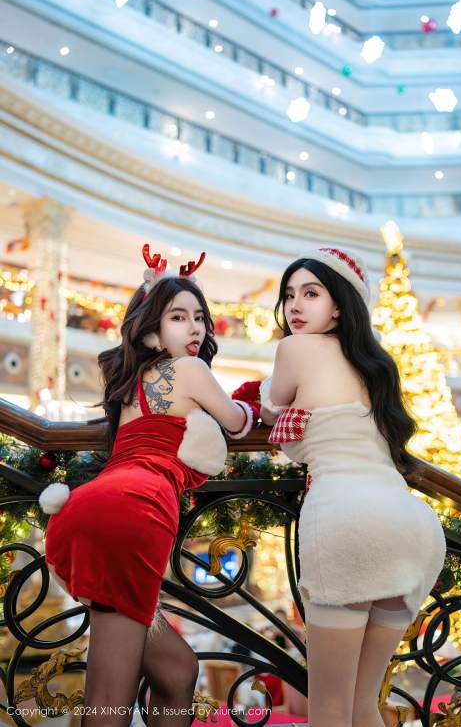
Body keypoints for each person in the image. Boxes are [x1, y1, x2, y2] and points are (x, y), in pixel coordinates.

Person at [40, 244, 256, 727]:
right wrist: (255, 400)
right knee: (109, 701)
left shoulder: (131, 382)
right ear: (153, 328)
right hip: (135, 513)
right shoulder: (191, 370)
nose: (195, 328)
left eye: (200, 318)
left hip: (86, 509)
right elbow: (238, 422)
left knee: (178, 670)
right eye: (179, 317)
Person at [259, 246, 447, 727]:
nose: (295, 305)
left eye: (311, 293)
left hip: (345, 521)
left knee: (329, 708)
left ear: (340, 304)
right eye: (289, 295)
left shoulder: (294, 348)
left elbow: (272, 408)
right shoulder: (374, 362)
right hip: (409, 527)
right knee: (364, 705)